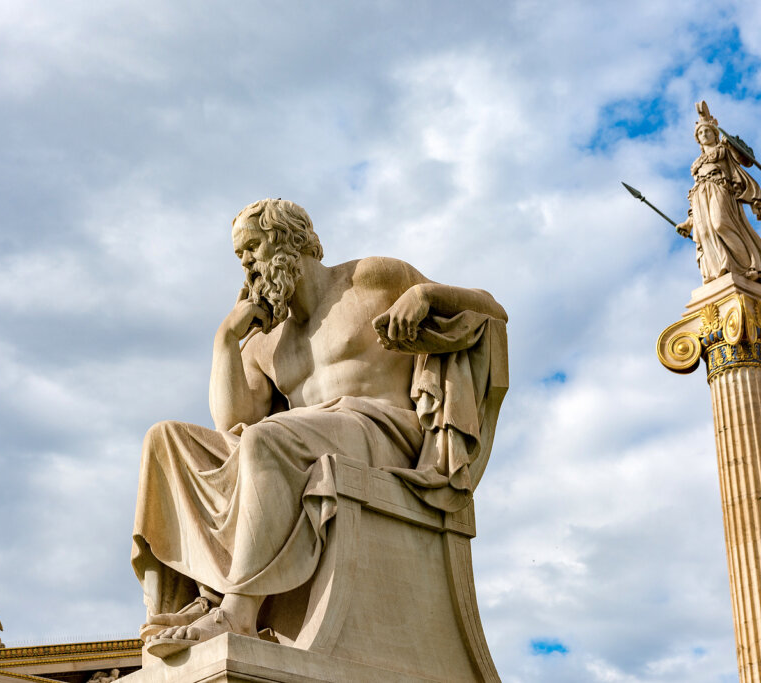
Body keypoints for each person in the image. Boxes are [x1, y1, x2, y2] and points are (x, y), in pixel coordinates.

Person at [131, 198, 507, 658]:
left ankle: (239, 613)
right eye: (239, 256)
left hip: (385, 431)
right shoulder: (265, 338)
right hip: (303, 442)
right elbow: (231, 424)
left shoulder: (369, 278)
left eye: (251, 247)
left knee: (269, 437)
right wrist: (226, 341)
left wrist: (426, 297)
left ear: (290, 240)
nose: (245, 263)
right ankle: (189, 603)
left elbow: (491, 309)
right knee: (164, 440)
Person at [675, 100, 761, 285]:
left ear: (715, 134)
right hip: (700, 196)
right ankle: (719, 269)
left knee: (720, 224)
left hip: (720, 187)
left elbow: (746, 160)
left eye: (708, 131)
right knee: (704, 232)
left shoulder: (723, 150)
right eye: (701, 132)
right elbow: (694, 192)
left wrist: (733, 144)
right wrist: (689, 223)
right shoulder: (697, 163)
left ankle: (748, 267)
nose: (704, 134)